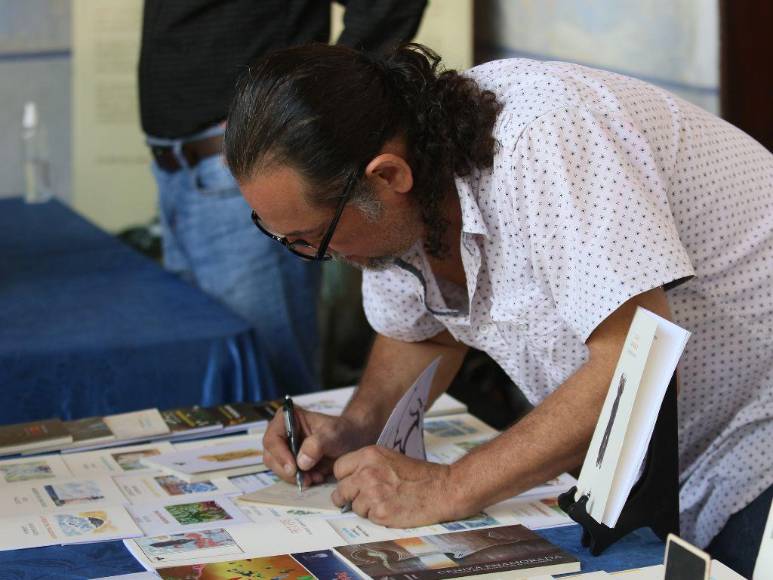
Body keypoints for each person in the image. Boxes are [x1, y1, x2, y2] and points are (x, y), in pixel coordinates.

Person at [224, 44, 773, 576]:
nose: (317, 259)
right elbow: (429, 330)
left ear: (388, 176)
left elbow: (639, 367)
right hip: (660, 459)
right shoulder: (399, 197)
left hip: (756, 437)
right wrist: (357, 424)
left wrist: (448, 486)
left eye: (315, 238)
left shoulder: (546, 139)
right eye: (287, 240)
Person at [138, 0, 427, 397]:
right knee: (204, 375)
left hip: (252, 172)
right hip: (176, 168)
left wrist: (322, 112)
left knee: (270, 385)